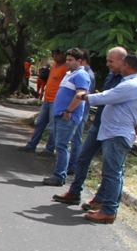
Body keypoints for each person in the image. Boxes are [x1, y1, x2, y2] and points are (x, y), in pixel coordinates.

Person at [52, 47, 137, 211]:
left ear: (123, 62)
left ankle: (103, 202)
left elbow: (135, 105)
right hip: (100, 125)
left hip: (115, 130)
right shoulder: (115, 77)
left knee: (111, 169)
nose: (107, 64)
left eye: (111, 61)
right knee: (83, 158)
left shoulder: (129, 82)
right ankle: (74, 192)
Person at [42, 49, 90, 186]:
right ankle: (59, 174)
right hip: (59, 115)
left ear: (79, 61)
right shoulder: (69, 74)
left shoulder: (81, 75)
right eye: (67, 59)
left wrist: (69, 110)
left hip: (67, 117)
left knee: (62, 146)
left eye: (70, 60)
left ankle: (59, 176)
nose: (67, 62)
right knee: (59, 145)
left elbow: (80, 95)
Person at [21, 50, 66, 153]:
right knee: (40, 123)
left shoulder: (65, 68)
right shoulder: (54, 65)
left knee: (52, 127)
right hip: (47, 99)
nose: (55, 56)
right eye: (53, 54)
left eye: (57, 54)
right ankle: (32, 145)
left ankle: (49, 149)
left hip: (55, 101)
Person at [66, 50, 96, 175]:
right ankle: (72, 164)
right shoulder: (85, 73)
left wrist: (70, 109)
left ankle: (73, 165)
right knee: (74, 138)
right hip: (79, 110)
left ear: (82, 61)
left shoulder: (86, 74)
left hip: (80, 111)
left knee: (76, 139)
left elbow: (82, 95)